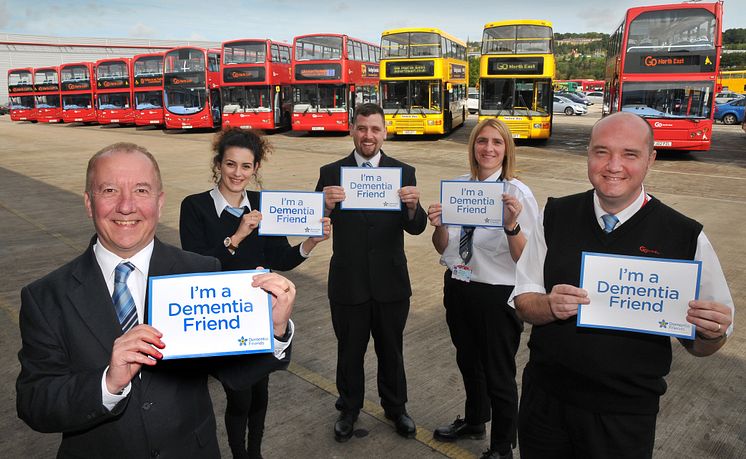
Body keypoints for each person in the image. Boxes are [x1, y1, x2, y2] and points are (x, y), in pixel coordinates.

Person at [16, 142, 296, 458]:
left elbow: (235, 374)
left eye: (141, 191)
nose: (126, 206)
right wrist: (107, 384)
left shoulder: (200, 272)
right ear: (88, 203)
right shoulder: (46, 296)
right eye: (109, 190)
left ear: (160, 202)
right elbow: (34, 402)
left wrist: (273, 330)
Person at [511, 112, 735, 459]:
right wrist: (549, 306)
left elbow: (704, 346)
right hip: (546, 403)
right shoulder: (555, 216)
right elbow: (524, 301)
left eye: (630, 154)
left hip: (624, 417)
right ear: (588, 154)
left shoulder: (685, 236)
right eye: (601, 152)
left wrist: (710, 333)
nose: (613, 165)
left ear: (651, 159)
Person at [179, 128, 330, 459]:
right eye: (230, 164)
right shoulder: (195, 207)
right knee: (239, 394)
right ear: (218, 164)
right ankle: (239, 454)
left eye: (246, 167)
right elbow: (197, 266)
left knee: (261, 392)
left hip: (260, 315)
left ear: (255, 168)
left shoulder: (264, 204)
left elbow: (280, 259)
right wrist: (236, 236)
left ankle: (255, 453)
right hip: (223, 316)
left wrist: (310, 242)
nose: (237, 173)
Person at [315, 103, 427, 442]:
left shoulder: (403, 172)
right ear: (352, 130)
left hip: (391, 282)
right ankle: (349, 408)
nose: (368, 136)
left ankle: (396, 407)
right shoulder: (331, 172)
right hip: (348, 281)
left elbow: (418, 228)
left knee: (391, 350)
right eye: (362, 128)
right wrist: (324, 204)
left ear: (384, 133)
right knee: (349, 350)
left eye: (375, 129)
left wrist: (412, 207)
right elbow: (311, 220)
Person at [427, 119, 539, 459]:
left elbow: (527, 258)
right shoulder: (458, 187)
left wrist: (511, 225)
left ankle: (503, 445)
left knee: (499, 372)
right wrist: (440, 226)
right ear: (473, 146)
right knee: (468, 362)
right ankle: (475, 420)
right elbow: (441, 246)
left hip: (497, 293)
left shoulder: (518, 194)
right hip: (459, 285)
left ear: (506, 150)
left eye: (496, 143)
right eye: (482, 141)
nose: (488, 148)